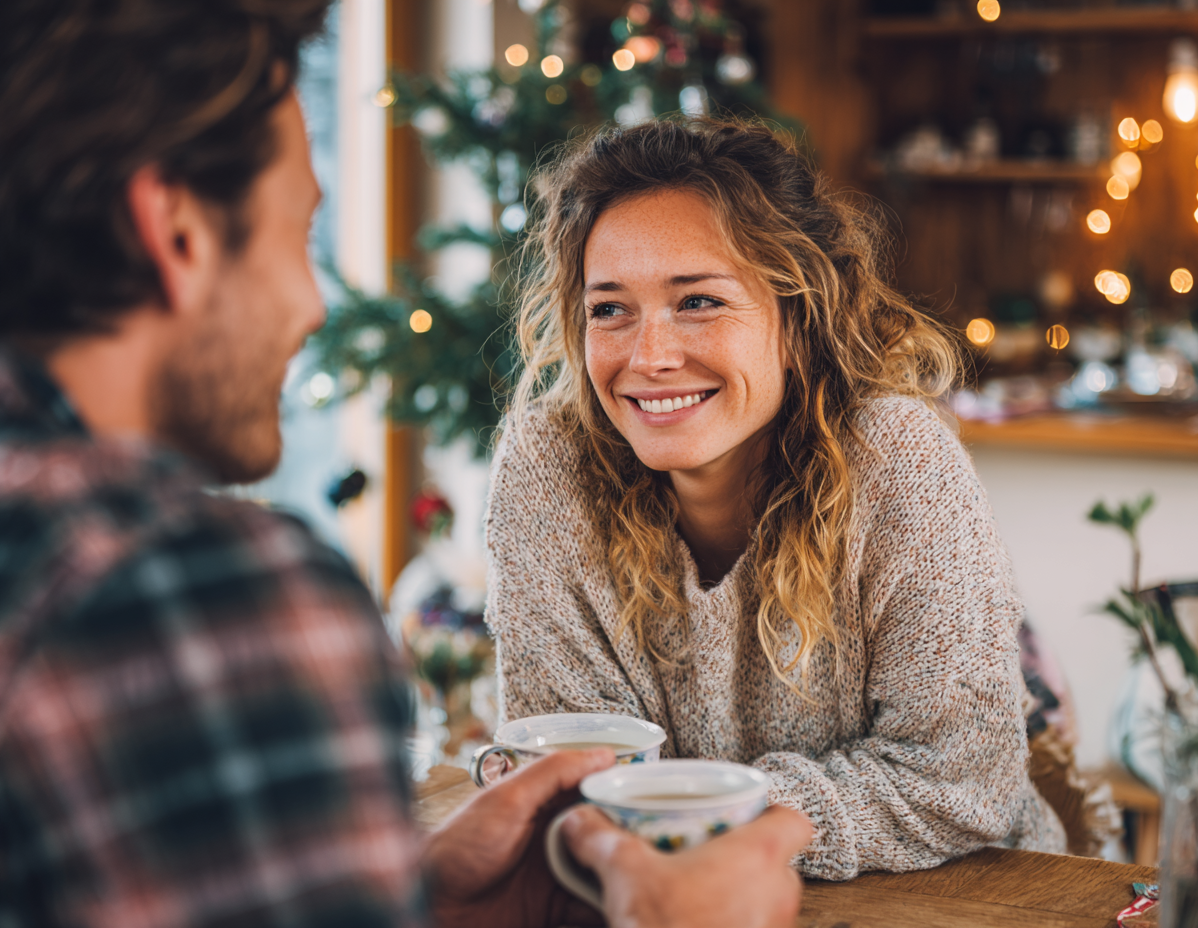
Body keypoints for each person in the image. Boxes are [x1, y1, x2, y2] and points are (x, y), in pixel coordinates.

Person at [0, 3, 811, 927]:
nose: (313, 305)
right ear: (176, 231)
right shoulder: (178, 591)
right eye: (299, 233)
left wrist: (422, 906)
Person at [486, 118, 1070, 882]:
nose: (648, 356)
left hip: (959, 896)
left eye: (697, 301)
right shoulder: (547, 467)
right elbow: (566, 774)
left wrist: (689, 817)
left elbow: (958, 783)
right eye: (609, 308)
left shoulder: (899, 460)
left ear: (798, 317)